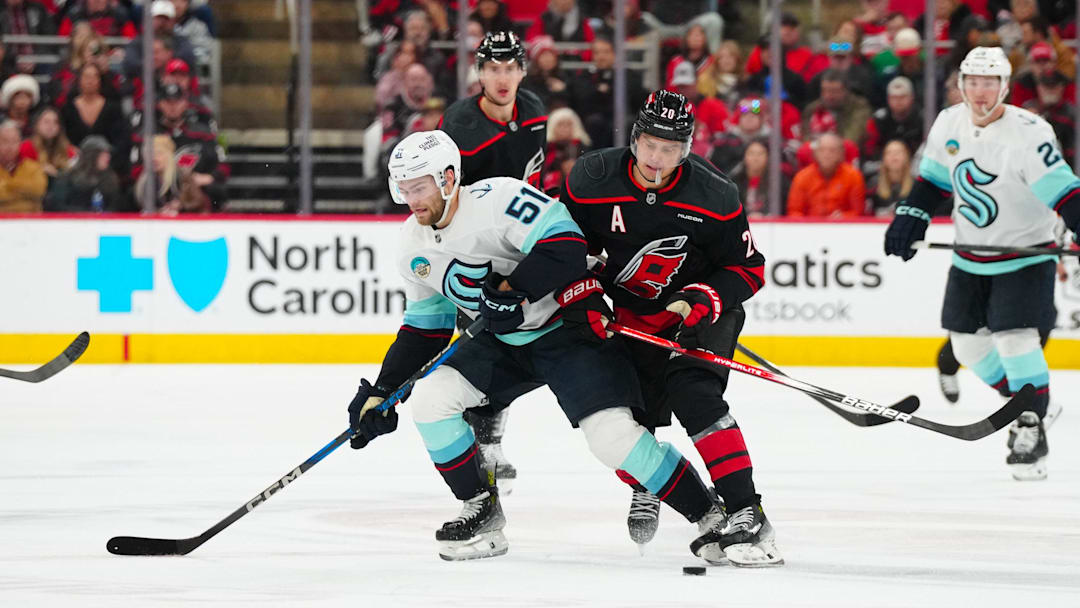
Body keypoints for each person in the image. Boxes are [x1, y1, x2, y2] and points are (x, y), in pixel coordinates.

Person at [346, 129, 729, 563]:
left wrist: (513, 288)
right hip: (503, 341)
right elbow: (425, 330)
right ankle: (481, 509)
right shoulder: (412, 246)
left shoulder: (498, 199)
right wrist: (384, 389)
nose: (411, 199)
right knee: (432, 399)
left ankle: (708, 514)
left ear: (449, 178)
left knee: (612, 439)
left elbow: (566, 243)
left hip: (567, 328)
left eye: (419, 187)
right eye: (403, 189)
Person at [562, 90, 782, 567]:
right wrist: (584, 294)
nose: (657, 158)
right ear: (635, 138)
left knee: (694, 395)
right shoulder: (591, 178)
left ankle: (747, 512)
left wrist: (700, 299)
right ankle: (647, 483)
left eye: (670, 148)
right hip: (625, 317)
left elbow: (749, 268)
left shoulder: (715, 194)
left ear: (686, 149)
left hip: (697, 314)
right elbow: (562, 247)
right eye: (650, 144)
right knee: (619, 416)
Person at [884, 46, 1080, 481]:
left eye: (989, 82)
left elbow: (1066, 193)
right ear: (961, 85)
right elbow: (932, 182)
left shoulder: (1030, 132)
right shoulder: (949, 121)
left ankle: (1030, 426)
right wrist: (911, 214)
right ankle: (1032, 403)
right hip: (970, 256)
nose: (980, 91)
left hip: (1024, 256)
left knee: (1016, 341)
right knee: (966, 345)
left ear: (1004, 87)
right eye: (972, 81)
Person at [435, 31, 549, 490]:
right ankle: (480, 442)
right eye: (492, 68)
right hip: (473, 250)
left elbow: (537, 179)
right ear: (478, 72)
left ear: (522, 70)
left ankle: (488, 439)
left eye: (510, 67)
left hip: (519, 245)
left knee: (508, 343)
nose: (502, 78)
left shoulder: (536, 111)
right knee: (482, 345)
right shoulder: (459, 125)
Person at [787, 133, 866, 217]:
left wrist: (844, 217)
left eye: (832, 150)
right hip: (809, 227)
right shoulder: (801, 177)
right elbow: (794, 212)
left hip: (842, 227)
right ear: (815, 153)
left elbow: (859, 213)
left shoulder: (853, 176)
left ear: (841, 153)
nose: (826, 155)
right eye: (822, 150)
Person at [44, 135, 128, 212]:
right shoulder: (67, 178)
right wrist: (86, 214)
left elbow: (115, 207)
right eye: (103, 153)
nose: (108, 157)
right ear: (91, 155)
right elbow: (57, 206)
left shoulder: (110, 179)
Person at [19, 106, 76, 191]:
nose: (51, 126)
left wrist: (58, 174)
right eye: (46, 122)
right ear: (36, 124)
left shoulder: (67, 149)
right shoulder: (26, 147)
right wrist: (39, 169)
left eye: (55, 122)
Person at [0, 119, 46, 213]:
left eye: (14, 141)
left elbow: (38, 190)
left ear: (20, 143)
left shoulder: (33, 167)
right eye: (5, 141)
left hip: (31, 221)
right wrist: (24, 194)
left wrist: (7, 185)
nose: (10, 146)